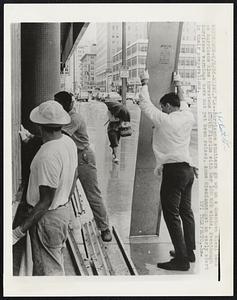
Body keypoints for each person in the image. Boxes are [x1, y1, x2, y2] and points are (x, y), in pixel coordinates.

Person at [138, 70, 197, 271]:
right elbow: (183, 98)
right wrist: (179, 81)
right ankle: (189, 252)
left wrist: (144, 81)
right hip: (188, 170)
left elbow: (145, 105)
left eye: (163, 106)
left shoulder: (165, 120)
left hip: (174, 172)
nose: (162, 109)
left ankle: (181, 260)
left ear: (169, 106)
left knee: (171, 214)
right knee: (186, 211)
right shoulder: (187, 115)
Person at [13, 100, 78, 275]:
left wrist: (19, 231)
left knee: (48, 274)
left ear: (40, 125)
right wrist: (65, 198)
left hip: (47, 219)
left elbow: (45, 202)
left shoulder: (47, 156)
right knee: (54, 264)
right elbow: (75, 174)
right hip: (62, 213)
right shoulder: (68, 142)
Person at [54, 91, 112, 242]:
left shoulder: (74, 118)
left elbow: (57, 137)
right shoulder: (64, 117)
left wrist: (33, 138)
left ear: (63, 105)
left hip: (83, 158)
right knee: (65, 194)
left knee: (92, 194)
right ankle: (63, 226)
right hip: (71, 157)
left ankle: (105, 228)